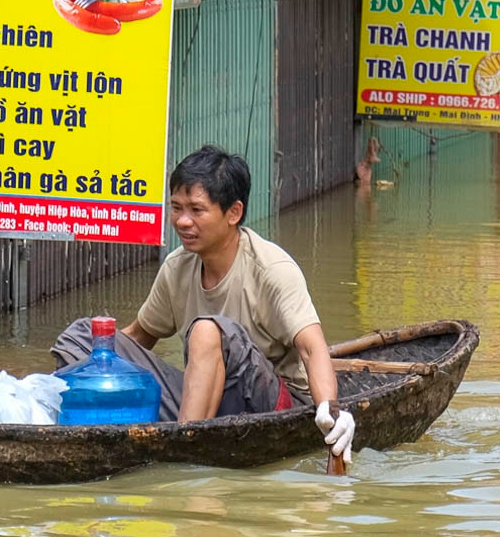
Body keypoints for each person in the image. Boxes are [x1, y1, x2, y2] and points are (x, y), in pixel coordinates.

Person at [50, 145, 356, 462]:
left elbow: (312, 347)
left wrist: (330, 411)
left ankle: (183, 456)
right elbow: (138, 338)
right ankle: (102, 433)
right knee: (84, 336)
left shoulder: (272, 270)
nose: (182, 221)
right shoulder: (176, 267)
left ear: (233, 213)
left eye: (196, 210)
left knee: (208, 331)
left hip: (274, 402)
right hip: (204, 399)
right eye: (176, 208)